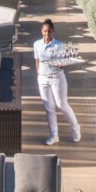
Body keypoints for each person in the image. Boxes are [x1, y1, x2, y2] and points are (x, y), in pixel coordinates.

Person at [29, 17, 81, 146]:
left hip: (57, 78)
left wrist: (60, 64)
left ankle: (76, 129)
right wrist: (38, 75)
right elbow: (37, 61)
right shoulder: (36, 44)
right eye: (45, 31)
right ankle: (54, 135)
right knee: (49, 108)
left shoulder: (59, 45)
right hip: (43, 79)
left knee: (62, 104)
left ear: (53, 32)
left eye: (49, 32)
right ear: (42, 31)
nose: (47, 34)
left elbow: (64, 63)